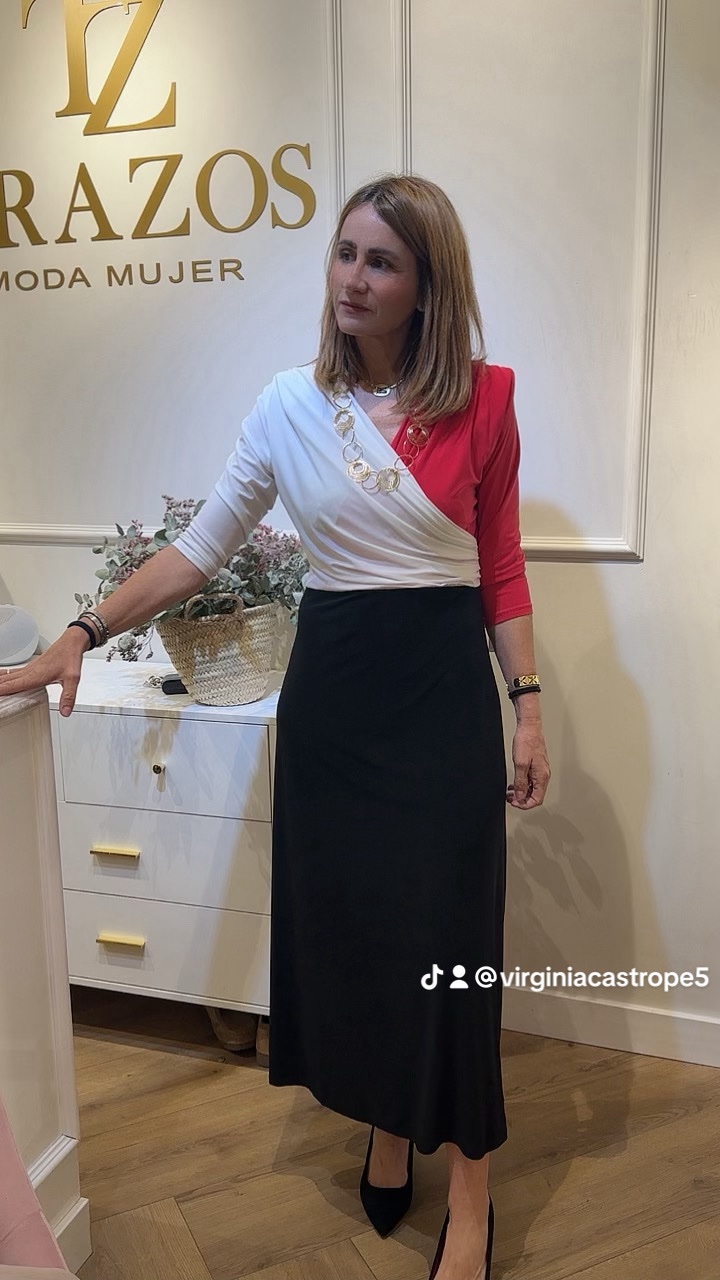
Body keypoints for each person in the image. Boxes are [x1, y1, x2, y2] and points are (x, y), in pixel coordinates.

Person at [0, 173, 551, 1280]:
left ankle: (474, 1190)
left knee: (451, 942)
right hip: (336, 702)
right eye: (346, 253)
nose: (354, 278)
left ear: (428, 283)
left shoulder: (485, 401)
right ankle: (387, 1121)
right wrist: (79, 630)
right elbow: (197, 551)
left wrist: (528, 705)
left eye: (382, 261)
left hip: (441, 699)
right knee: (362, 931)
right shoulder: (287, 404)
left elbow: (499, 565)